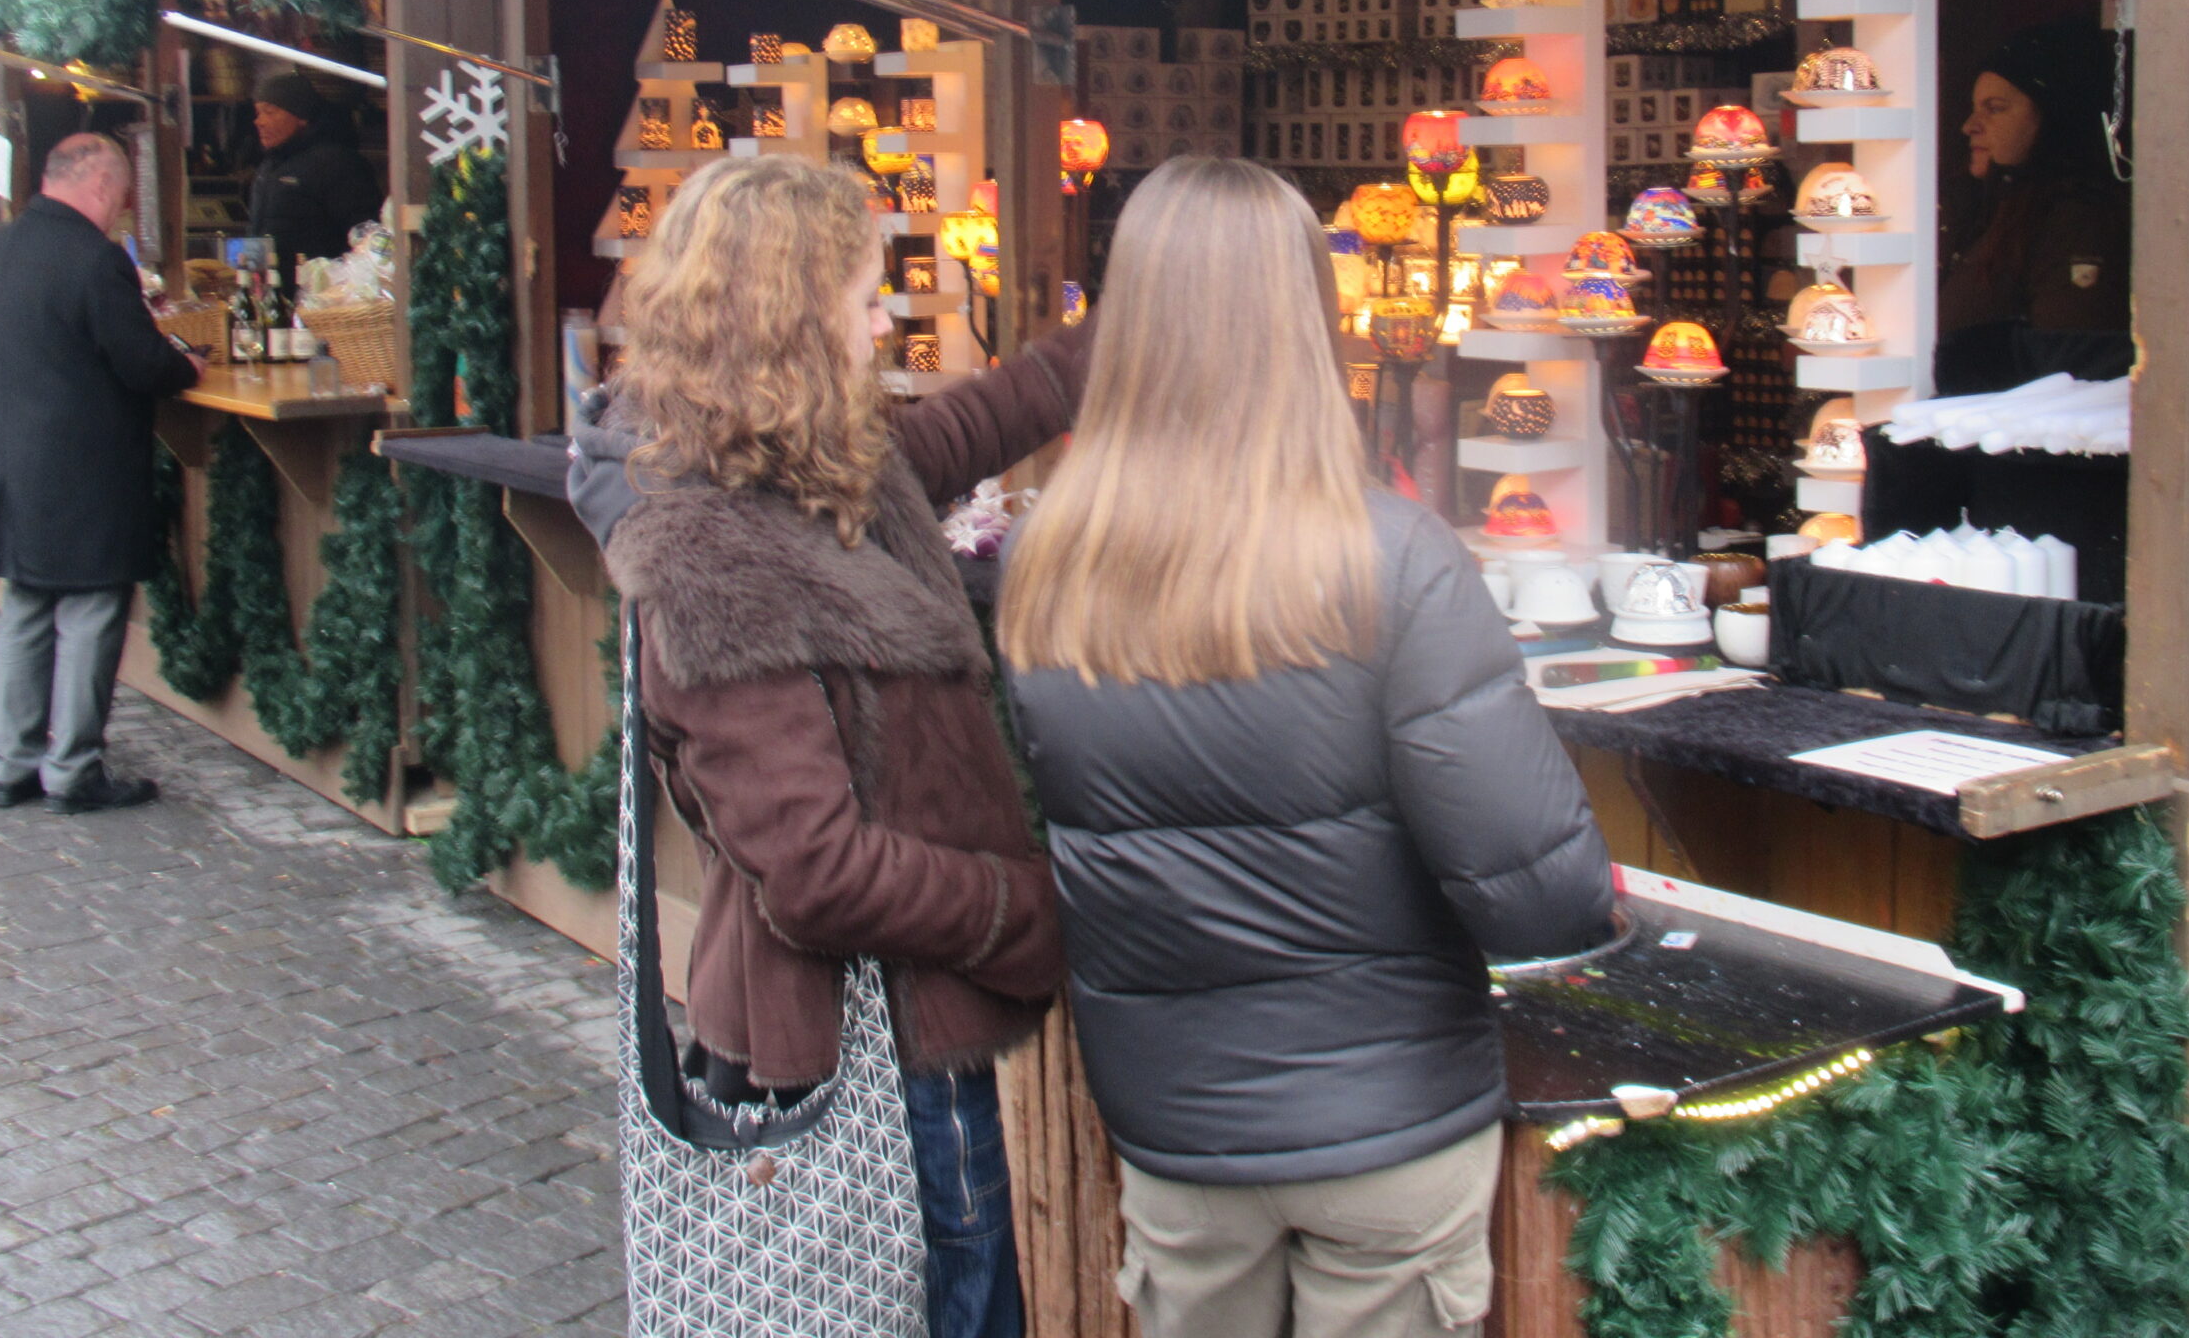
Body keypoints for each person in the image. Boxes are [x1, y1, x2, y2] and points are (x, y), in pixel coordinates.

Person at [997, 156, 1615, 1338]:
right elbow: (1543, 896)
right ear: (1305, 323)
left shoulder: (1045, 563)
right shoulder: (1398, 559)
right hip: (1391, 1121)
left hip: (1177, 1125)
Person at [567, 154, 1090, 1338]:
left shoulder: (798, 464)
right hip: (869, 1061)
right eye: (863, 297)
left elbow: (962, 428)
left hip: (906, 1040)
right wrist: (1025, 908)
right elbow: (815, 872)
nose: (882, 321)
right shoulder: (712, 555)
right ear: (789, 326)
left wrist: (1129, 327)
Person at [0, 134, 201, 812]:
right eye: (122, 196)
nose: (120, 210)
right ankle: (73, 771)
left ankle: (11, 766)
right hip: (86, 471)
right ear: (101, 184)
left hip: (14, 467)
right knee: (91, 613)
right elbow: (141, 362)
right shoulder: (95, 259)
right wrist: (187, 365)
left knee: (25, 611)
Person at [1937, 21, 2133, 394]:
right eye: (1974, 108)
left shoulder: (2075, 218)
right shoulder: (1984, 205)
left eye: (1995, 109)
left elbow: (2070, 370)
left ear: (2050, 116)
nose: (1970, 126)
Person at [247, 71, 383, 272]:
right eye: (258, 113)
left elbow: (366, 235)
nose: (259, 122)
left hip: (319, 287)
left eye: (270, 112)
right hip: (271, 287)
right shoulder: (268, 167)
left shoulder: (337, 164)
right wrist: (249, 274)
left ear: (302, 117)